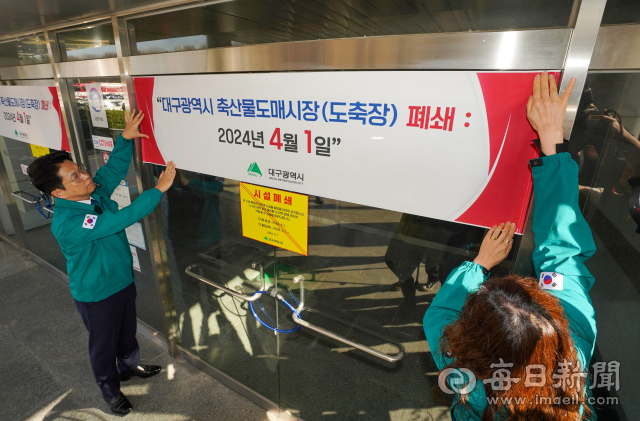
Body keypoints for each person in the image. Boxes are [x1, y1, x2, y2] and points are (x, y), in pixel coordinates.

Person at [424, 73, 598, 420]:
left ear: (467, 339)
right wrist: (553, 145)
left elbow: (438, 316)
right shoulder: (572, 342)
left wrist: (479, 263)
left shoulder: (457, 361)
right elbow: (562, 252)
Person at [27, 110, 177, 417]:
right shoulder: (69, 222)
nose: (86, 176)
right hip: (96, 294)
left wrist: (125, 139)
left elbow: (111, 173)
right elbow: (123, 218)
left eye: (81, 169)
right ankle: (110, 390)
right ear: (58, 192)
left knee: (125, 333)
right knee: (103, 345)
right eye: (76, 177)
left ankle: (129, 366)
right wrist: (158, 191)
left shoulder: (92, 194)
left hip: (120, 280)